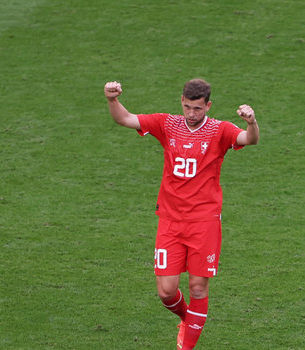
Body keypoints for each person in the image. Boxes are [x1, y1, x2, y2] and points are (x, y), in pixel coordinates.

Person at [104, 78, 259, 348]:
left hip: (204, 222)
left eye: (197, 109)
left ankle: (186, 344)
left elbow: (249, 139)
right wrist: (111, 99)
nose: (191, 113)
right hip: (170, 220)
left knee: (198, 288)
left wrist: (251, 122)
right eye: (187, 107)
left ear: (208, 106)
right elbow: (126, 119)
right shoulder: (167, 124)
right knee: (166, 292)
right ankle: (189, 320)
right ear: (181, 101)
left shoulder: (219, 130)